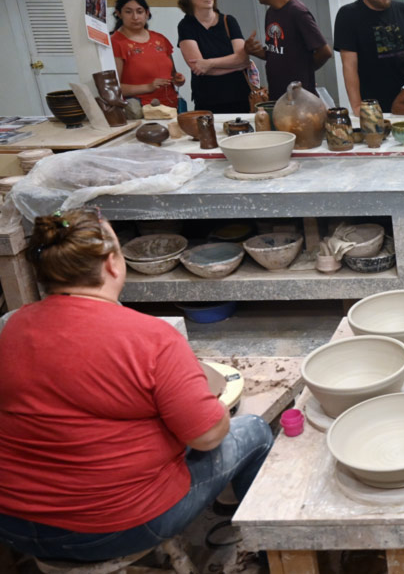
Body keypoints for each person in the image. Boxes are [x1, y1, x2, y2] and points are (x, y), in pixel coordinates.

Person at [0, 209, 273, 563]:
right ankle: (270, 554)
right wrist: (216, 406)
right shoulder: (150, 337)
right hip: (111, 529)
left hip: (13, 524)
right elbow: (206, 436)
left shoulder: (12, 327)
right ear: (113, 264)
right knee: (252, 429)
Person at [244, 0, 333, 100]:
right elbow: (279, 52)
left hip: (299, 99)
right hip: (278, 95)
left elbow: (325, 52)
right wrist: (256, 51)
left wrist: (304, 72)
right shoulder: (271, 13)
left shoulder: (297, 12)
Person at [176, 0, 251, 113]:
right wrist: (235, 65)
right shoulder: (186, 26)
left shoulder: (229, 21)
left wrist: (209, 63)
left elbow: (242, 58)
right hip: (207, 99)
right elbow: (198, 67)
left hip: (239, 95)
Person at [110, 0, 185, 107]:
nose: (135, 17)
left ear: (147, 13)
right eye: (128, 12)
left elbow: (173, 75)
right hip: (139, 110)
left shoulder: (160, 39)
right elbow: (113, 88)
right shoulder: (116, 43)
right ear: (119, 14)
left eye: (139, 12)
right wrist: (148, 87)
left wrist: (178, 79)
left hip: (170, 107)